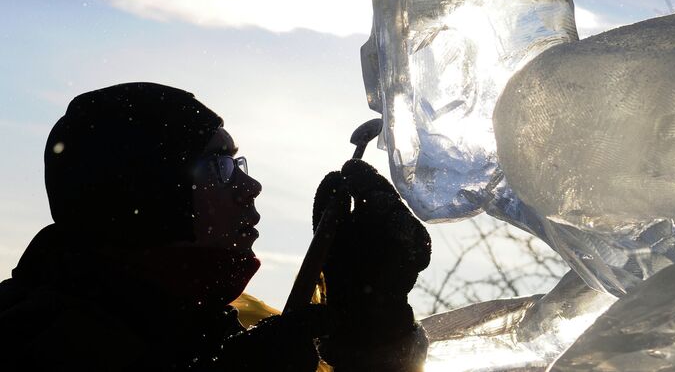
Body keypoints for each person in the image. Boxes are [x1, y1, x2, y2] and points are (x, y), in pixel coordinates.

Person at [0, 82, 431, 371]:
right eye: (220, 165)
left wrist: (371, 326)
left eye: (238, 163)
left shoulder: (218, 329)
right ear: (147, 187)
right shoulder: (33, 340)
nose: (250, 186)